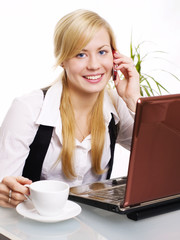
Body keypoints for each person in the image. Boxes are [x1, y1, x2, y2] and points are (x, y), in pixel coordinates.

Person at [0, 9, 140, 208]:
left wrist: (134, 100)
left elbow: (163, 156)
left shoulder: (116, 105)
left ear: (115, 56)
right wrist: (6, 192)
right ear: (63, 60)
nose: (94, 65)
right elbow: (4, 187)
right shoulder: (29, 108)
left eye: (102, 52)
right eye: (80, 54)